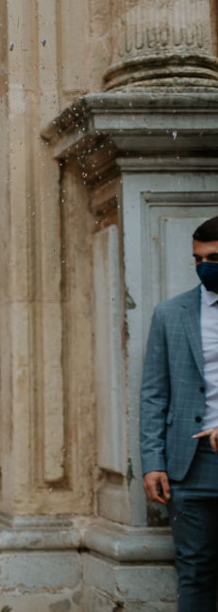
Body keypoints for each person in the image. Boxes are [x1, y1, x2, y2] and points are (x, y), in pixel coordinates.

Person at [139, 214, 218, 612]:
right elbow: (154, 393)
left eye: (215, 258)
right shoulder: (171, 313)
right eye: (199, 259)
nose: (206, 267)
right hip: (189, 466)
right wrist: (153, 462)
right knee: (195, 571)